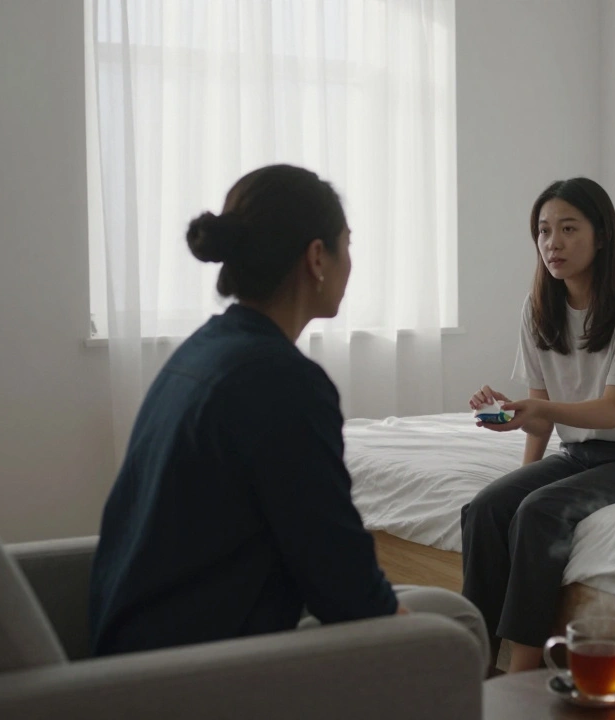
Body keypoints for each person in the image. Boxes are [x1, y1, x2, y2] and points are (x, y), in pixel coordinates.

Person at [89, 164, 488, 669]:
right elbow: (340, 579)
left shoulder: (202, 350)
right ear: (317, 257)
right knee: (458, 624)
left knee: (439, 610)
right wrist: (411, 636)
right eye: (347, 243)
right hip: (201, 668)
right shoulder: (281, 380)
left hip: (141, 641)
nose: (350, 261)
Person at [461, 177, 615, 672]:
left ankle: (522, 673)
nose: (553, 243)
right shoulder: (538, 306)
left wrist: (538, 411)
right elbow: (541, 414)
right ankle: (475, 667)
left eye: (568, 229)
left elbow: (610, 411)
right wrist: (520, 453)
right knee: (486, 508)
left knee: (539, 512)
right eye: (544, 231)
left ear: (601, 236)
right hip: (582, 453)